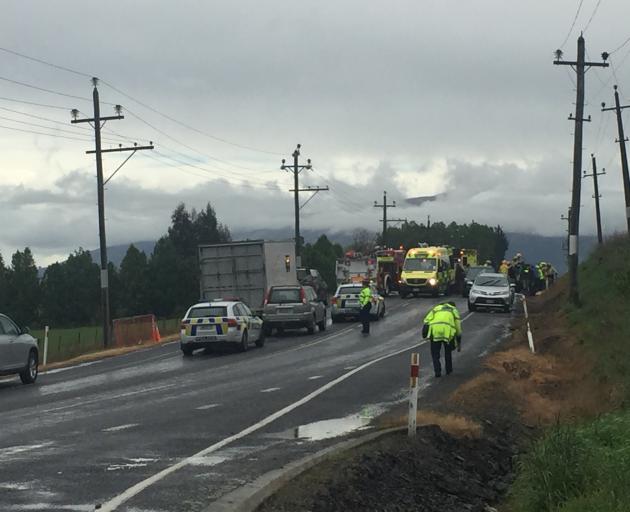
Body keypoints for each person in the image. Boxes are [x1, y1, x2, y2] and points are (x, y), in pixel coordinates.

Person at [422, 302, 462, 377]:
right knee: (448, 352)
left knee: (435, 354)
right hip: (447, 333)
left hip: (435, 332)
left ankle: (437, 372)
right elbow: (458, 328)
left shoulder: (436, 308)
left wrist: (425, 334)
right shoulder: (453, 310)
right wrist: (458, 342)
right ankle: (448, 370)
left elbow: (426, 321)